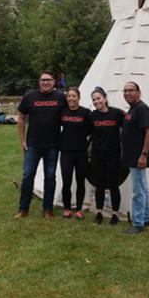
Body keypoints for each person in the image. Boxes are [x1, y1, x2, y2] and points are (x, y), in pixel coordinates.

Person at [15, 71, 67, 219]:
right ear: (39, 81)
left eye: (48, 80)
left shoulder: (60, 98)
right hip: (33, 145)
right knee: (27, 176)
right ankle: (23, 209)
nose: (45, 83)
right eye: (43, 80)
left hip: (53, 145)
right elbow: (21, 118)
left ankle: (47, 210)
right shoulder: (30, 97)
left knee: (50, 177)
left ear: (54, 82)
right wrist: (22, 141)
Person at [88, 87, 124, 226]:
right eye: (94, 100)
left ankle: (115, 214)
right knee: (99, 186)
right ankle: (99, 213)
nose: (97, 102)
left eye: (99, 98)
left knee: (114, 185)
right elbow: (86, 133)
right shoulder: (92, 116)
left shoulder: (116, 114)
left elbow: (127, 128)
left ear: (105, 98)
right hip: (97, 155)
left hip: (113, 156)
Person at [121, 81, 149, 235]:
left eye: (131, 90)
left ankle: (138, 223)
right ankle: (146, 218)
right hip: (132, 155)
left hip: (138, 157)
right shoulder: (132, 109)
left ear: (138, 92)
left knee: (138, 191)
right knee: (143, 188)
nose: (127, 93)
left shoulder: (142, 109)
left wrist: (143, 155)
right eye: (125, 91)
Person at [59, 87, 91, 219]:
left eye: (74, 96)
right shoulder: (62, 112)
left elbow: (90, 130)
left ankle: (79, 209)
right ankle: (67, 208)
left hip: (81, 152)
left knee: (80, 181)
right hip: (66, 152)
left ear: (79, 98)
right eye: (69, 96)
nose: (71, 98)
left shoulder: (85, 112)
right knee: (66, 181)